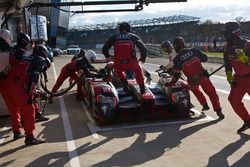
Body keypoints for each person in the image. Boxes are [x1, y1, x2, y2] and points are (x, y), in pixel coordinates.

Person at [168, 36, 224, 119]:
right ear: (183, 44)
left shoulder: (177, 59)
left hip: (192, 81)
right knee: (212, 93)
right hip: (203, 77)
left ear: (175, 47)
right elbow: (205, 58)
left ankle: (204, 104)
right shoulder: (194, 50)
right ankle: (219, 111)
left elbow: (177, 75)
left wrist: (170, 83)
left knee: (194, 89)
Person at [6, 44, 50, 145]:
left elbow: (25, 78)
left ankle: (17, 132)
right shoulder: (40, 60)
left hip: (6, 85)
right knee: (29, 110)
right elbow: (33, 80)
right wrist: (31, 95)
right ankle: (29, 137)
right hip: (16, 86)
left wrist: (35, 92)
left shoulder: (26, 57)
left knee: (13, 110)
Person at [102, 22, 147, 94]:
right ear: (129, 29)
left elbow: (104, 49)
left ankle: (124, 81)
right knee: (138, 70)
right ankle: (142, 88)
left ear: (120, 29)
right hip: (132, 63)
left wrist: (108, 56)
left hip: (119, 63)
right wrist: (142, 58)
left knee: (118, 70)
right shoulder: (133, 36)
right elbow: (143, 48)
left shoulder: (114, 37)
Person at [223, 22, 250, 133]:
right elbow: (228, 64)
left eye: (227, 33)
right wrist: (229, 77)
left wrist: (246, 59)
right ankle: (248, 121)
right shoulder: (226, 47)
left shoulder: (246, 44)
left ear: (234, 33)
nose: (226, 36)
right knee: (233, 100)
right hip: (239, 79)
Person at [0, 29, 24, 140]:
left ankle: (17, 130)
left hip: (2, 85)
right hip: (13, 83)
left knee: (12, 108)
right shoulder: (12, 52)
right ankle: (20, 129)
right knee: (21, 106)